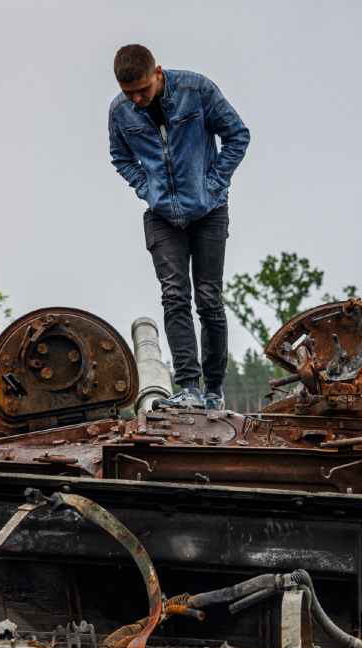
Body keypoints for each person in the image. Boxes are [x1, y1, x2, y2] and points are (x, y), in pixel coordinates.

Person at [108, 44, 250, 410]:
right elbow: (120, 156)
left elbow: (237, 135)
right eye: (129, 93)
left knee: (208, 298)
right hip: (161, 215)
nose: (138, 99)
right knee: (174, 296)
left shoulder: (197, 90)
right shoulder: (119, 112)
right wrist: (145, 187)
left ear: (157, 72)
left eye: (143, 89)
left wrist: (214, 184)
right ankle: (188, 386)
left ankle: (213, 389)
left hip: (209, 211)